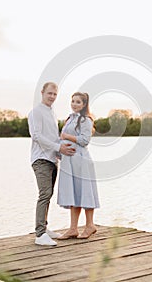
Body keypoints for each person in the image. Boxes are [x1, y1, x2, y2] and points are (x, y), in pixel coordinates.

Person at [28, 82, 75, 246]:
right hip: (40, 160)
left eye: (55, 94)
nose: (52, 97)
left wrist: (60, 154)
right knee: (44, 194)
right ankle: (40, 234)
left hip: (52, 159)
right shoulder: (36, 112)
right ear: (42, 93)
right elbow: (37, 136)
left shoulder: (52, 113)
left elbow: (54, 137)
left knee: (48, 195)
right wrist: (58, 147)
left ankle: (45, 228)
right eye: (49, 93)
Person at [57, 92, 100, 239]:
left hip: (81, 161)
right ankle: (73, 228)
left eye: (78, 102)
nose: (74, 104)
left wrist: (66, 137)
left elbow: (84, 140)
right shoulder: (69, 118)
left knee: (85, 191)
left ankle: (90, 225)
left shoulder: (86, 120)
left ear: (84, 105)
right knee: (74, 192)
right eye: (73, 101)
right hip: (69, 162)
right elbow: (61, 137)